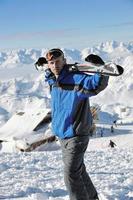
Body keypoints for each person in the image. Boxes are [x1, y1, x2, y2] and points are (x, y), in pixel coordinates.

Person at [44, 48, 109, 200]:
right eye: (51, 63)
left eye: (58, 61)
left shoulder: (76, 78)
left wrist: (100, 68)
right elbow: (49, 76)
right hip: (62, 136)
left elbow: (95, 84)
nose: (55, 65)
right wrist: (44, 69)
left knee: (71, 175)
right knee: (79, 171)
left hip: (77, 135)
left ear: (64, 61)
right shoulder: (53, 81)